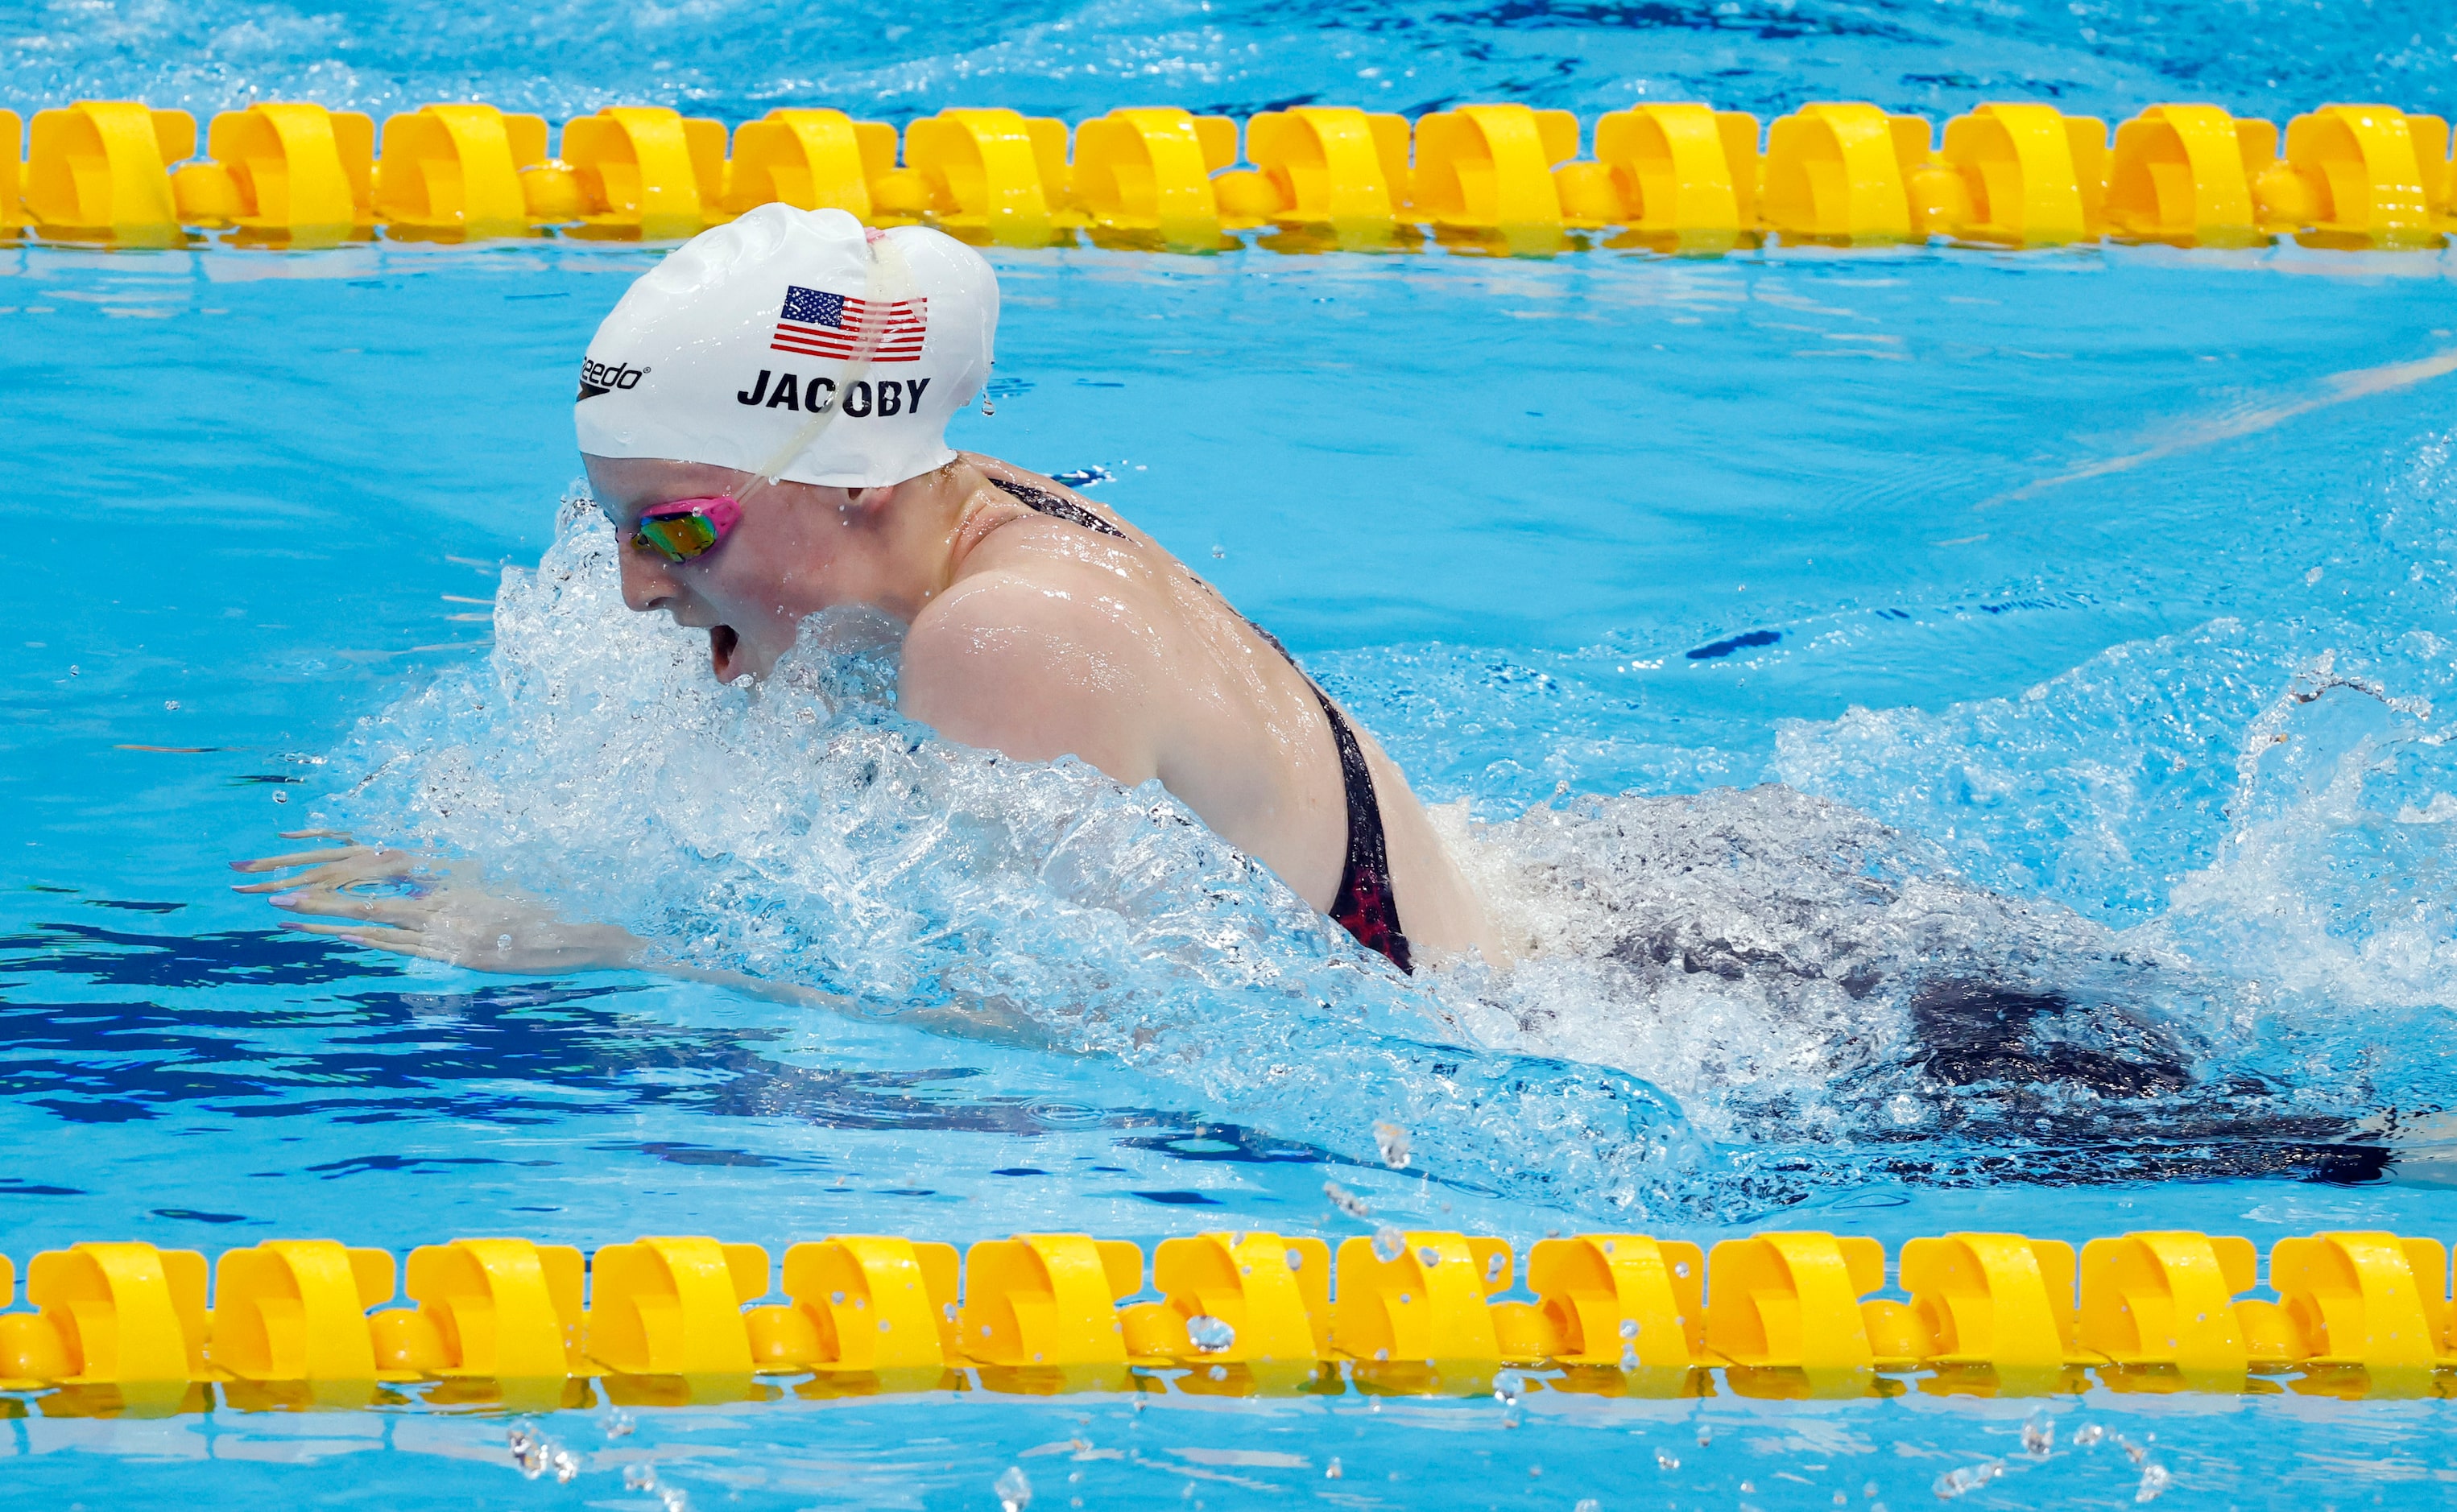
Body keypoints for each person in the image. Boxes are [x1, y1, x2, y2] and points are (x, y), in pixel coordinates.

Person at [239, 204, 1504, 976]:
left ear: (848, 479)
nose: (632, 590)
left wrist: (583, 934)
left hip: (1495, 1012)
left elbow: (1039, 1017)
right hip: (1506, 901)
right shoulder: (960, 519)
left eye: (675, 530)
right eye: (613, 528)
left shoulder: (1001, 637)